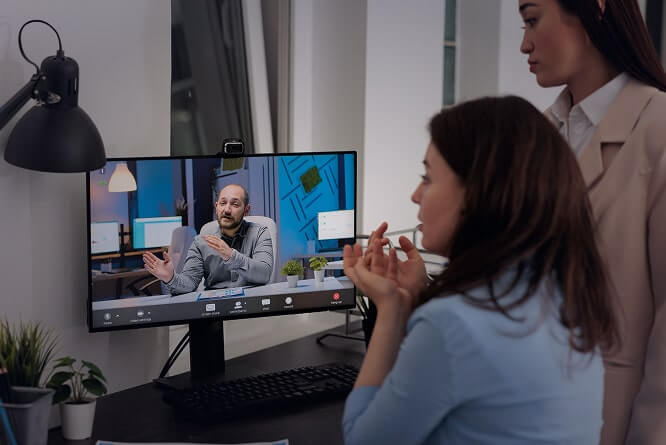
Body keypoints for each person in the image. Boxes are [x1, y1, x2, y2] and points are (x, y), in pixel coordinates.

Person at [341, 96, 617, 444]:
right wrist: (420, 295)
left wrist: (390, 310)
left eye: (427, 178)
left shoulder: (451, 324)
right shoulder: (567, 297)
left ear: (479, 194)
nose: (415, 195)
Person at [518, 1, 666, 442]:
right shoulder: (542, 135)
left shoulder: (658, 130)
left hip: (612, 418)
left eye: (532, 20)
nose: (524, 44)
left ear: (593, 10)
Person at [143, 184, 273, 294]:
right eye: (223, 203)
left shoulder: (260, 233)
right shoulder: (200, 242)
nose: (227, 210)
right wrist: (170, 278)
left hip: (251, 304)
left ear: (246, 210)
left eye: (235, 204)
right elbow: (189, 283)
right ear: (216, 207)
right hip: (215, 307)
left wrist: (231, 256)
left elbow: (264, 274)